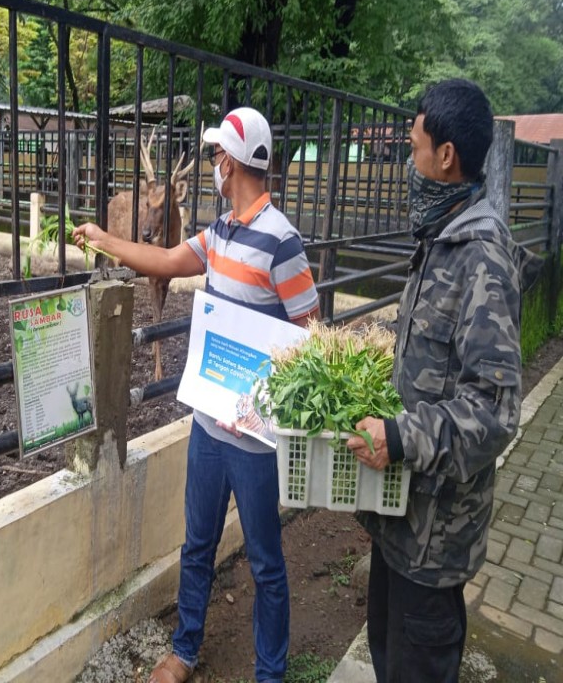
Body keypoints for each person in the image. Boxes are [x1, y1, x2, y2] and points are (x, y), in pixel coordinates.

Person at [74, 106, 319, 683]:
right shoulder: (221, 234)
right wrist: (106, 240)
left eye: (215, 156)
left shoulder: (282, 241)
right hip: (209, 426)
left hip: (255, 438)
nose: (212, 163)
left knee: (265, 563)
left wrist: (272, 390)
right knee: (197, 544)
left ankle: (270, 673)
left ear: (230, 163)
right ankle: (184, 651)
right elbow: (162, 259)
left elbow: (312, 334)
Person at [347, 78, 542, 683]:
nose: (409, 161)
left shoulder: (479, 255)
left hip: (434, 539)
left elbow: (493, 410)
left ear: (445, 156)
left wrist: (401, 437)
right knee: (387, 656)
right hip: (399, 526)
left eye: (413, 147)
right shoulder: (440, 241)